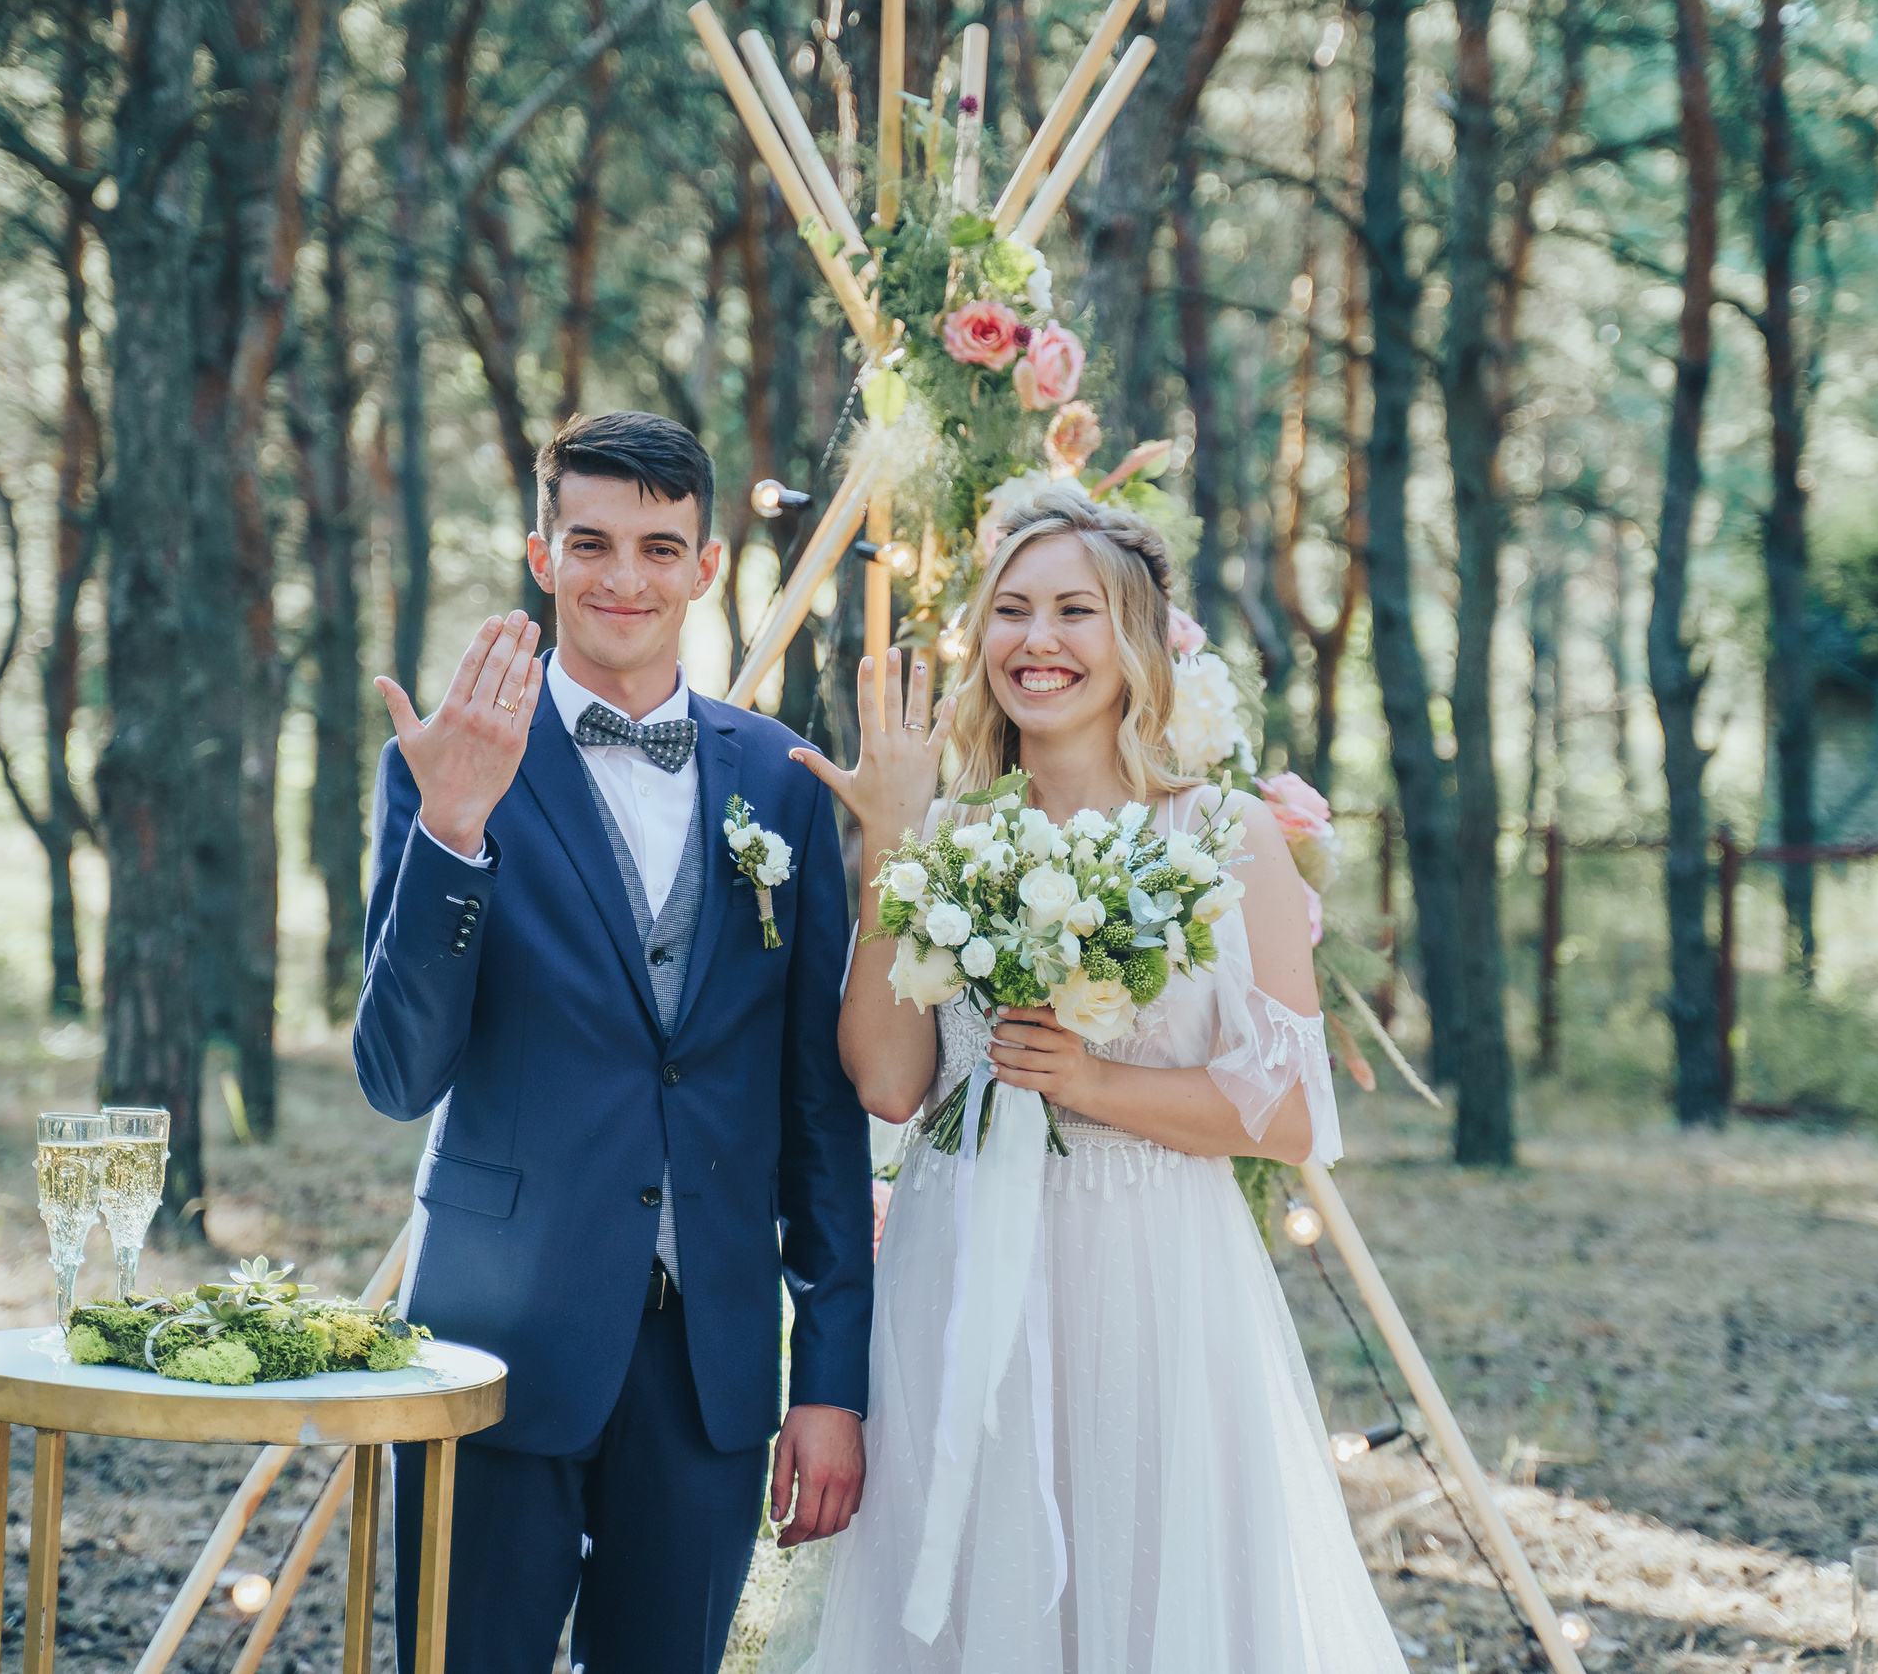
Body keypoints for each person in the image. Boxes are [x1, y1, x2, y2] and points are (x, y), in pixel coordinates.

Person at [781, 485, 1410, 1671]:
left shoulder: (1226, 835)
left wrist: (1087, 1081)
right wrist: (890, 847)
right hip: (959, 1261)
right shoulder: (948, 827)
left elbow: (1287, 1113)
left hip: (1153, 1280)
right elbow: (885, 1080)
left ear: (1133, 642)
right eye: (1012, 612)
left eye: (1075, 612)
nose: (1039, 641)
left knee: (1152, 1586)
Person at [351, 412, 875, 1673]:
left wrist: (832, 1380)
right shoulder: (449, 762)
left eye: (659, 546)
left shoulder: (787, 782)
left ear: (706, 567)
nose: (623, 579)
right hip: (491, 1342)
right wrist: (454, 835)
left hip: (711, 1367)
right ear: (542, 556)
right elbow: (397, 1073)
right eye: (590, 543)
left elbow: (818, 1109)